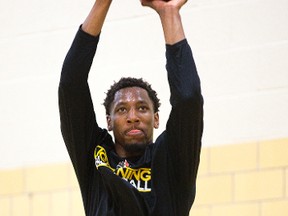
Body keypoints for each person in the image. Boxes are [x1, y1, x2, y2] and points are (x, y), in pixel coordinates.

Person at [58, 0, 203, 215]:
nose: (133, 116)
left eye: (142, 108)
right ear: (108, 121)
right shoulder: (95, 155)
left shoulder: (171, 158)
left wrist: (169, 13)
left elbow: (188, 98)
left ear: (156, 118)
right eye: (122, 109)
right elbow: (71, 83)